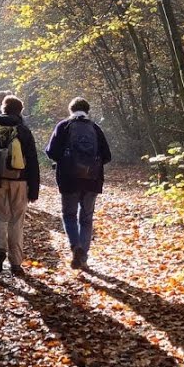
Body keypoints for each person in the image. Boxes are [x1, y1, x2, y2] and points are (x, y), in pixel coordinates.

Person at [45, 97, 112, 269]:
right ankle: (83, 257)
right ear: (87, 111)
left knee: (69, 215)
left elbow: (51, 152)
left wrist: (66, 161)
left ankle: (75, 246)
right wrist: (91, 166)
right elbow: (107, 156)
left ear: (71, 110)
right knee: (86, 218)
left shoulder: (64, 126)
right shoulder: (95, 128)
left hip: (69, 179)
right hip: (92, 180)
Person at [0, 95, 40, 275]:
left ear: (2, 109)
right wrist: (33, 189)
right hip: (19, 180)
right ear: (20, 111)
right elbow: (33, 160)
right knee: (16, 220)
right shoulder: (23, 130)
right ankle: (16, 263)